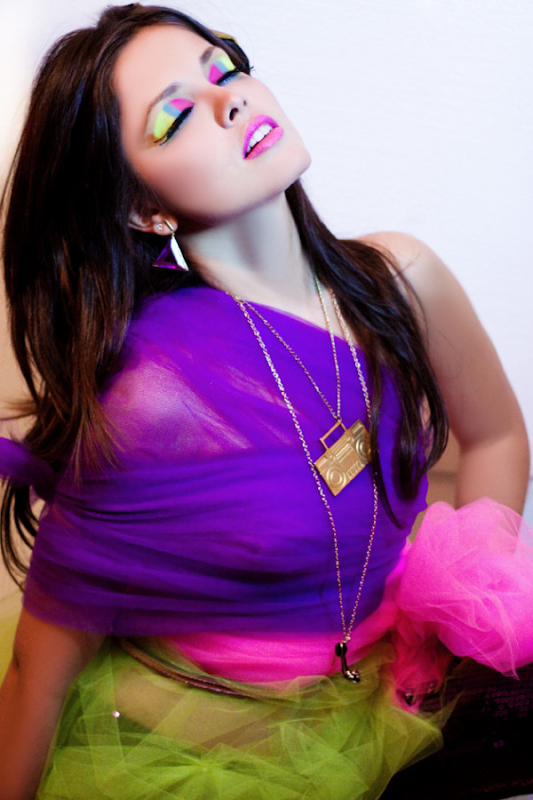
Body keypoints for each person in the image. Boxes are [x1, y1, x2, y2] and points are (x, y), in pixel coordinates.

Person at [0, 3, 531, 799]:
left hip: (389, 687)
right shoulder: (149, 396)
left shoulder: (399, 280)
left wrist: (465, 604)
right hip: (210, 754)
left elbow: (494, 437)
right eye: (176, 116)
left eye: (225, 69)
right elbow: (40, 669)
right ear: (144, 209)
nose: (230, 100)